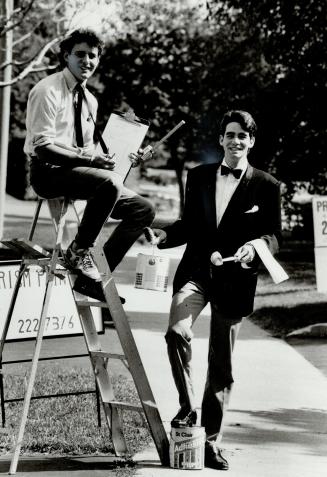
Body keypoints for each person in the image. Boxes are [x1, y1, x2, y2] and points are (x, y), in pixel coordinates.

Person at [149, 110, 282, 470]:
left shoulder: (267, 185)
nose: (235, 141)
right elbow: (188, 225)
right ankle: (187, 408)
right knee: (177, 332)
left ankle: (209, 441)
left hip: (236, 280)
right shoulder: (199, 176)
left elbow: (274, 236)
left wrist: (257, 247)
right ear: (220, 139)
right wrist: (164, 235)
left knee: (220, 366)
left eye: (243, 135)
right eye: (230, 134)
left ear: (251, 141)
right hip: (196, 273)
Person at [24, 29, 154, 300]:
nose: (87, 61)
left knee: (143, 209)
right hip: (46, 173)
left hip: (77, 174)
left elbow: (86, 152)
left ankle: (93, 275)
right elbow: (43, 147)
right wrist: (90, 160)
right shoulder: (46, 90)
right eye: (80, 54)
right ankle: (78, 254)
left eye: (92, 56)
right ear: (66, 56)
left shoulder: (90, 101)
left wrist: (130, 155)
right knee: (108, 183)